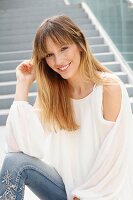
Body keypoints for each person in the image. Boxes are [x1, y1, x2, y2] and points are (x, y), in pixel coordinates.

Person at [0, 15, 133, 200]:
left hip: (103, 194)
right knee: (14, 162)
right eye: (49, 55)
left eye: (64, 48)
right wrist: (22, 84)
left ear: (79, 44)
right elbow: (17, 147)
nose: (59, 60)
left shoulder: (108, 89)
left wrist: (85, 196)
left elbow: (116, 159)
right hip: (63, 190)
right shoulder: (51, 95)